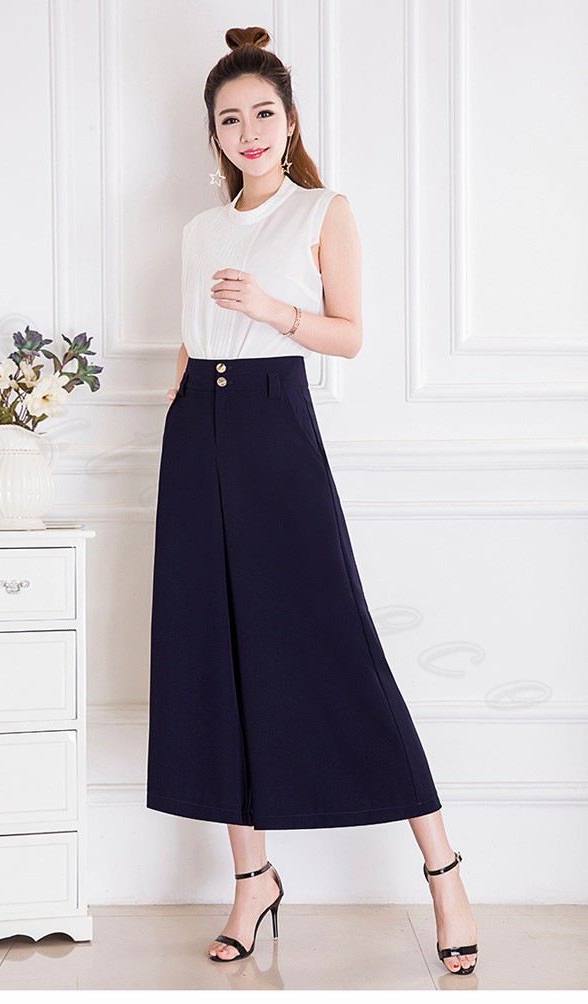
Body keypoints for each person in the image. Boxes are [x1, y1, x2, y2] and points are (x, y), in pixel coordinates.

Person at [146, 25, 478, 975]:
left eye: (262, 113)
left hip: (275, 427)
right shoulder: (200, 229)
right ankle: (252, 879)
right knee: (212, 655)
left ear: (289, 121)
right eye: (229, 119)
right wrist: (180, 400)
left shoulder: (322, 210)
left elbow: (349, 335)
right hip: (197, 436)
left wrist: (272, 311)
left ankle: (444, 870)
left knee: (338, 644)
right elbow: (192, 331)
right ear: (214, 134)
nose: (248, 131)